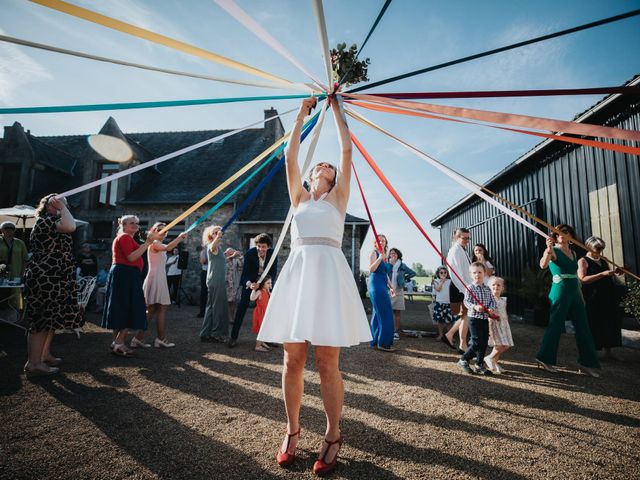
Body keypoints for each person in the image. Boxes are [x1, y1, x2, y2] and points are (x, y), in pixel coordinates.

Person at [257, 97, 372, 475]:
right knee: (292, 359)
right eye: (317, 164)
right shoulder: (299, 197)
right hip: (299, 272)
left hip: (328, 276)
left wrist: (336, 108)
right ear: (309, 176)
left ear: (335, 178)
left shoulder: (338, 200)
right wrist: (301, 116)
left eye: (328, 166)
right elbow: (290, 157)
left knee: (326, 363)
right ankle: (292, 431)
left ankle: (333, 433)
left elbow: (346, 148)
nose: (323, 164)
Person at [22, 194, 82, 378]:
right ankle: (33, 363)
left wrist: (62, 208)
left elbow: (69, 225)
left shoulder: (54, 221)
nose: (64, 206)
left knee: (51, 318)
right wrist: (62, 207)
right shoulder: (45, 221)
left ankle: (44, 355)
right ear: (49, 206)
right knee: (41, 319)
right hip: (45, 276)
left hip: (57, 276)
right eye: (58, 203)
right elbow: (71, 226)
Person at [535, 224, 600, 377]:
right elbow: (543, 265)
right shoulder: (553, 250)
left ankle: (586, 363)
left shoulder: (574, 253)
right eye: (559, 233)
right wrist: (548, 250)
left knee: (583, 326)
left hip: (575, 292)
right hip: (560, 291)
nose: (562, 235)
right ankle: (544, 359)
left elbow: (577, 277)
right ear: (555, 236)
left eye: (566, 232)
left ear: (570, 236)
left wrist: (581, 296)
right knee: (556, 326)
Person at [101, 215, 161, 357]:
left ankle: (117, 343)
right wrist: (147, 243)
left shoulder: (127, 238)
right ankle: (119, 342)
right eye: (131, 223)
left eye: (137, 223)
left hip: (124, 274)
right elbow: (131, 257)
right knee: (129, 306)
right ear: (123, 225)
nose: (135, 225)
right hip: (125, 275)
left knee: (121, 307)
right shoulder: (125, 237)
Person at [135, 223, 187, 349]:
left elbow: (167, 247)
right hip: (156, 278)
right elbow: (169, 247)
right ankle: (160, 339)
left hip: (158, 277)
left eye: (165, 230)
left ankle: (138, 338)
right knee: (161, 309)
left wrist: (179, 239)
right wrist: (180, 238)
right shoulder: (154, 243)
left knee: (152, 310)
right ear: (154, 231)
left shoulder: (157, 243)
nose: (163, 232)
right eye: (160, 230)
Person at [577, 236, 624, 360]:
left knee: (610, 322)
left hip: (607, 294)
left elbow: (607, 274)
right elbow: (582, 279)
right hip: (593, 296)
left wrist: (615, 272)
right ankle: (592, 353)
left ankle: (609, 351)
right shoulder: (583, 260)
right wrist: (601, 274)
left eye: (601, 248)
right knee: (595, 323)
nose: (600, 251)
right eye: (597, 248)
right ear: (589, 246)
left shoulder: (603, 259)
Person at [227, 233, 277, 347]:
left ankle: (267, 339)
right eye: (259, 246)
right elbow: (244, 274)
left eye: (263, 246)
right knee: (242, 308)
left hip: (265, 284)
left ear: (268, 246)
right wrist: (250, 284)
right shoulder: (250, 254)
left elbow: (273, 272)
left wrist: (266, 285)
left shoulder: (273, 254)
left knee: (268, 311)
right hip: (251, 284)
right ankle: (233, 337)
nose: (261, 249)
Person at [457, 262, 497, 376]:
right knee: (477, 342)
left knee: (484, 342)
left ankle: (479, 364)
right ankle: (463, 359)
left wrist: (490, 309)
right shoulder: (469, 288)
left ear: (484, 273)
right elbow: (466, 302)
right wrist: (475, 306)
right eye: (474, 273)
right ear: (471, 274)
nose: (477, 275)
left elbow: (492, 301)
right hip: (474, 319)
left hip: (484, 318)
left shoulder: (487, 289)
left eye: (480, 272)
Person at [444, 228, 472, 352]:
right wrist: (465, 289)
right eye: (464, 238)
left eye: (468, 238)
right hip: (459, 287)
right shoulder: (455, 250)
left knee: (465, 316)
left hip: (464, 286)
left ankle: (461, 343)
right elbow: (455, 273)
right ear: (457, 237)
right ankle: (456, 339)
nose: (466, 240)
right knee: (465, 316)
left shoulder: (461, 250)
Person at [200, 225, 230, 343]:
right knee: (218, 307)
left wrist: (231, 256)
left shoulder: (218, 248)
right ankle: (216, 334)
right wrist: (217, 236)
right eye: (215, 232)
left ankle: (205, 332)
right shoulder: (212, 246)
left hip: (214, 280)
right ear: (210, 236)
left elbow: (218, 262)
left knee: (211, 307)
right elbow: (213, 246)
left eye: (219, 232)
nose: (218, 234)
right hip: (216, 280)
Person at [368, 234, 396, 352]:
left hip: (382, 284)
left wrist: (391, 286)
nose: (381, 242)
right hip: (376, 285)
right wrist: (380, 258)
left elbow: (384, 273)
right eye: (379, 241)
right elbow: (371, 269)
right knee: (386, 313)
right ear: (375, 243)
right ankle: (383, 343)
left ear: (385, 243)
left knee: (377, 313)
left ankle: (375, 340)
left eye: (383, 241)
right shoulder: (374, 253)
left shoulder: (384, 256)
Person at [484, 276, 513, 374]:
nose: (496, 287)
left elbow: (504, 312)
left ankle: (494, 363)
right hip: (494, 324)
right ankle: (489, 358)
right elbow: (488, 313)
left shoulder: (503, 300)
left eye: (498, 285)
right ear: (489, 287)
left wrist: (506, 321)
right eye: (493, 285)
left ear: (502, 288)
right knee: (499, 344)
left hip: (504, 325)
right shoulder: (489, 300)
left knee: (506, 345)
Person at [387, 247, 416, 340]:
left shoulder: (402, 265)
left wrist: (404, 278)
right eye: (391, 253)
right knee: (388, 312)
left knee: (397, 312)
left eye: (394, 253)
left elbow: (413, 273)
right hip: (389, 290)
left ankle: (395, 332)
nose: (392, 255)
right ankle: (388, 330)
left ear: (398, 255)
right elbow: (384, 274)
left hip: (399, 290)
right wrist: (390, 265)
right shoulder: (387, 265)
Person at [0, 220, 29, 310]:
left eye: (12, 228)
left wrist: (23, 273)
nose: (9, 230)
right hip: (1, 272)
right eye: (6, 228)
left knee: (15, 294)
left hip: (16, 272)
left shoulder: (20, 243)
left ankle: (14, 314)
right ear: (1, 230)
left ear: (14, 230)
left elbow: (25, 259)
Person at [432, 266, 454, 342]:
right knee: (440, 321)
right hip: (440, 303)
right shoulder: (436, 281)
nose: (443, 274)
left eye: (445, 272)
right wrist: (442, 281)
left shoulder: (451, 281)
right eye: (441, 272)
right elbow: (438, 289)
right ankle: (441, 335)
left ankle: (449, 336)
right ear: (438, 273)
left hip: (449, 303)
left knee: (449, 320)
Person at [251, 276, 272, 352]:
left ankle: (262, 342)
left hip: (265, 312)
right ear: (263, 284)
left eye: (270, 283)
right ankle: (258, 346)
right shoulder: (260, 292)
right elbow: (252, 298)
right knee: (261, 330)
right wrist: (254, 289)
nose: (270, 285)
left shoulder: (267, 291)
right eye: (268, 283)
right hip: (260, 313)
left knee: (265, 329)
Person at [224, 247, 243, 321]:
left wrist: (240, 256)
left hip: (234, 284)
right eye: (230, 253)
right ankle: (224, 317)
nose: (232, 254)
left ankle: (232, 317)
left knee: (233, 302)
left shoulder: (236, 260)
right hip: (225, 284)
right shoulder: (223, 260)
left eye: (233, 253)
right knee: (224, 302)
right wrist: (232, 256)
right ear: (226, 253)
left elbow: (241, 266)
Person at [196, 245, 207, 318]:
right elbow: (203, 261)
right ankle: (202, 312)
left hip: (213, 272)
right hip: (205, 272)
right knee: (203, 293)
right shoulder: (203, 251)